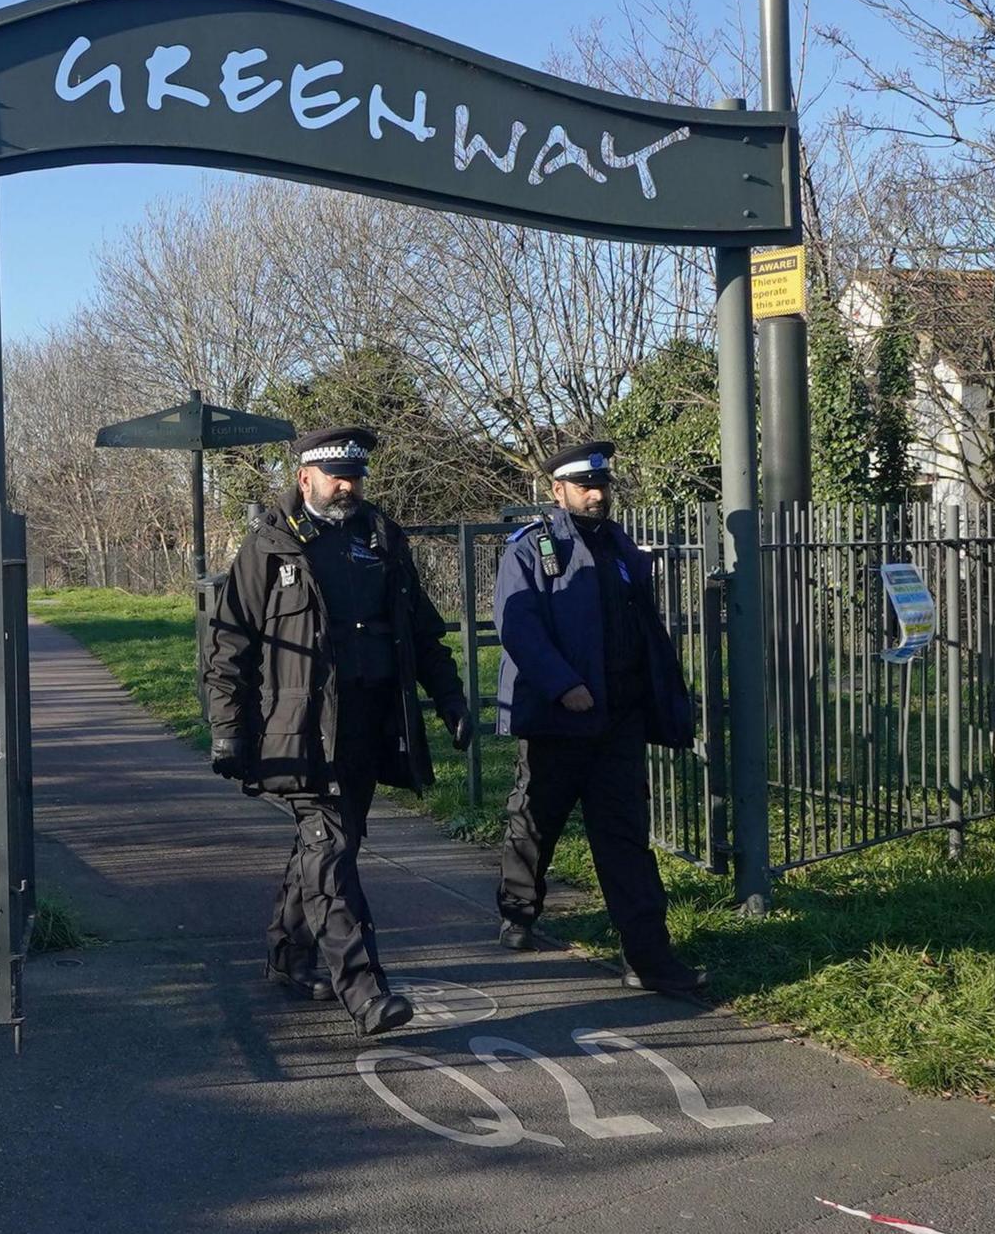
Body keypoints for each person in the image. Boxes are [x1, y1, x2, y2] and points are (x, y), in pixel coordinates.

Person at [202, 426, 473, 1038]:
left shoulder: (381, 540)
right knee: (330, 850)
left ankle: (287, 952)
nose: (347, 484)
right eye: (335, 475)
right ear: (305, 478)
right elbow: (229, 645)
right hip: (300, 730)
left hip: (371, 726)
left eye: (355, 474)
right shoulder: (270, 547)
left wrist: (449, 697)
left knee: (331, 843)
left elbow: (421, 633)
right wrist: (228, 731)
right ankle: (366, 991)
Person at [490, 439, 706, 994]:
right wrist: (564, 686)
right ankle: (518, 910)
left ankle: (649, 959)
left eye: (602, 485)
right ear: (556, 490)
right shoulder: (530, 548)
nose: (596, 494)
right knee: (537, 820)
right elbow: (520, 629)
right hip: (558, 719)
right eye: (584, 486)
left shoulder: (619, 547)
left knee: (624, 837)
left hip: (618, 719)